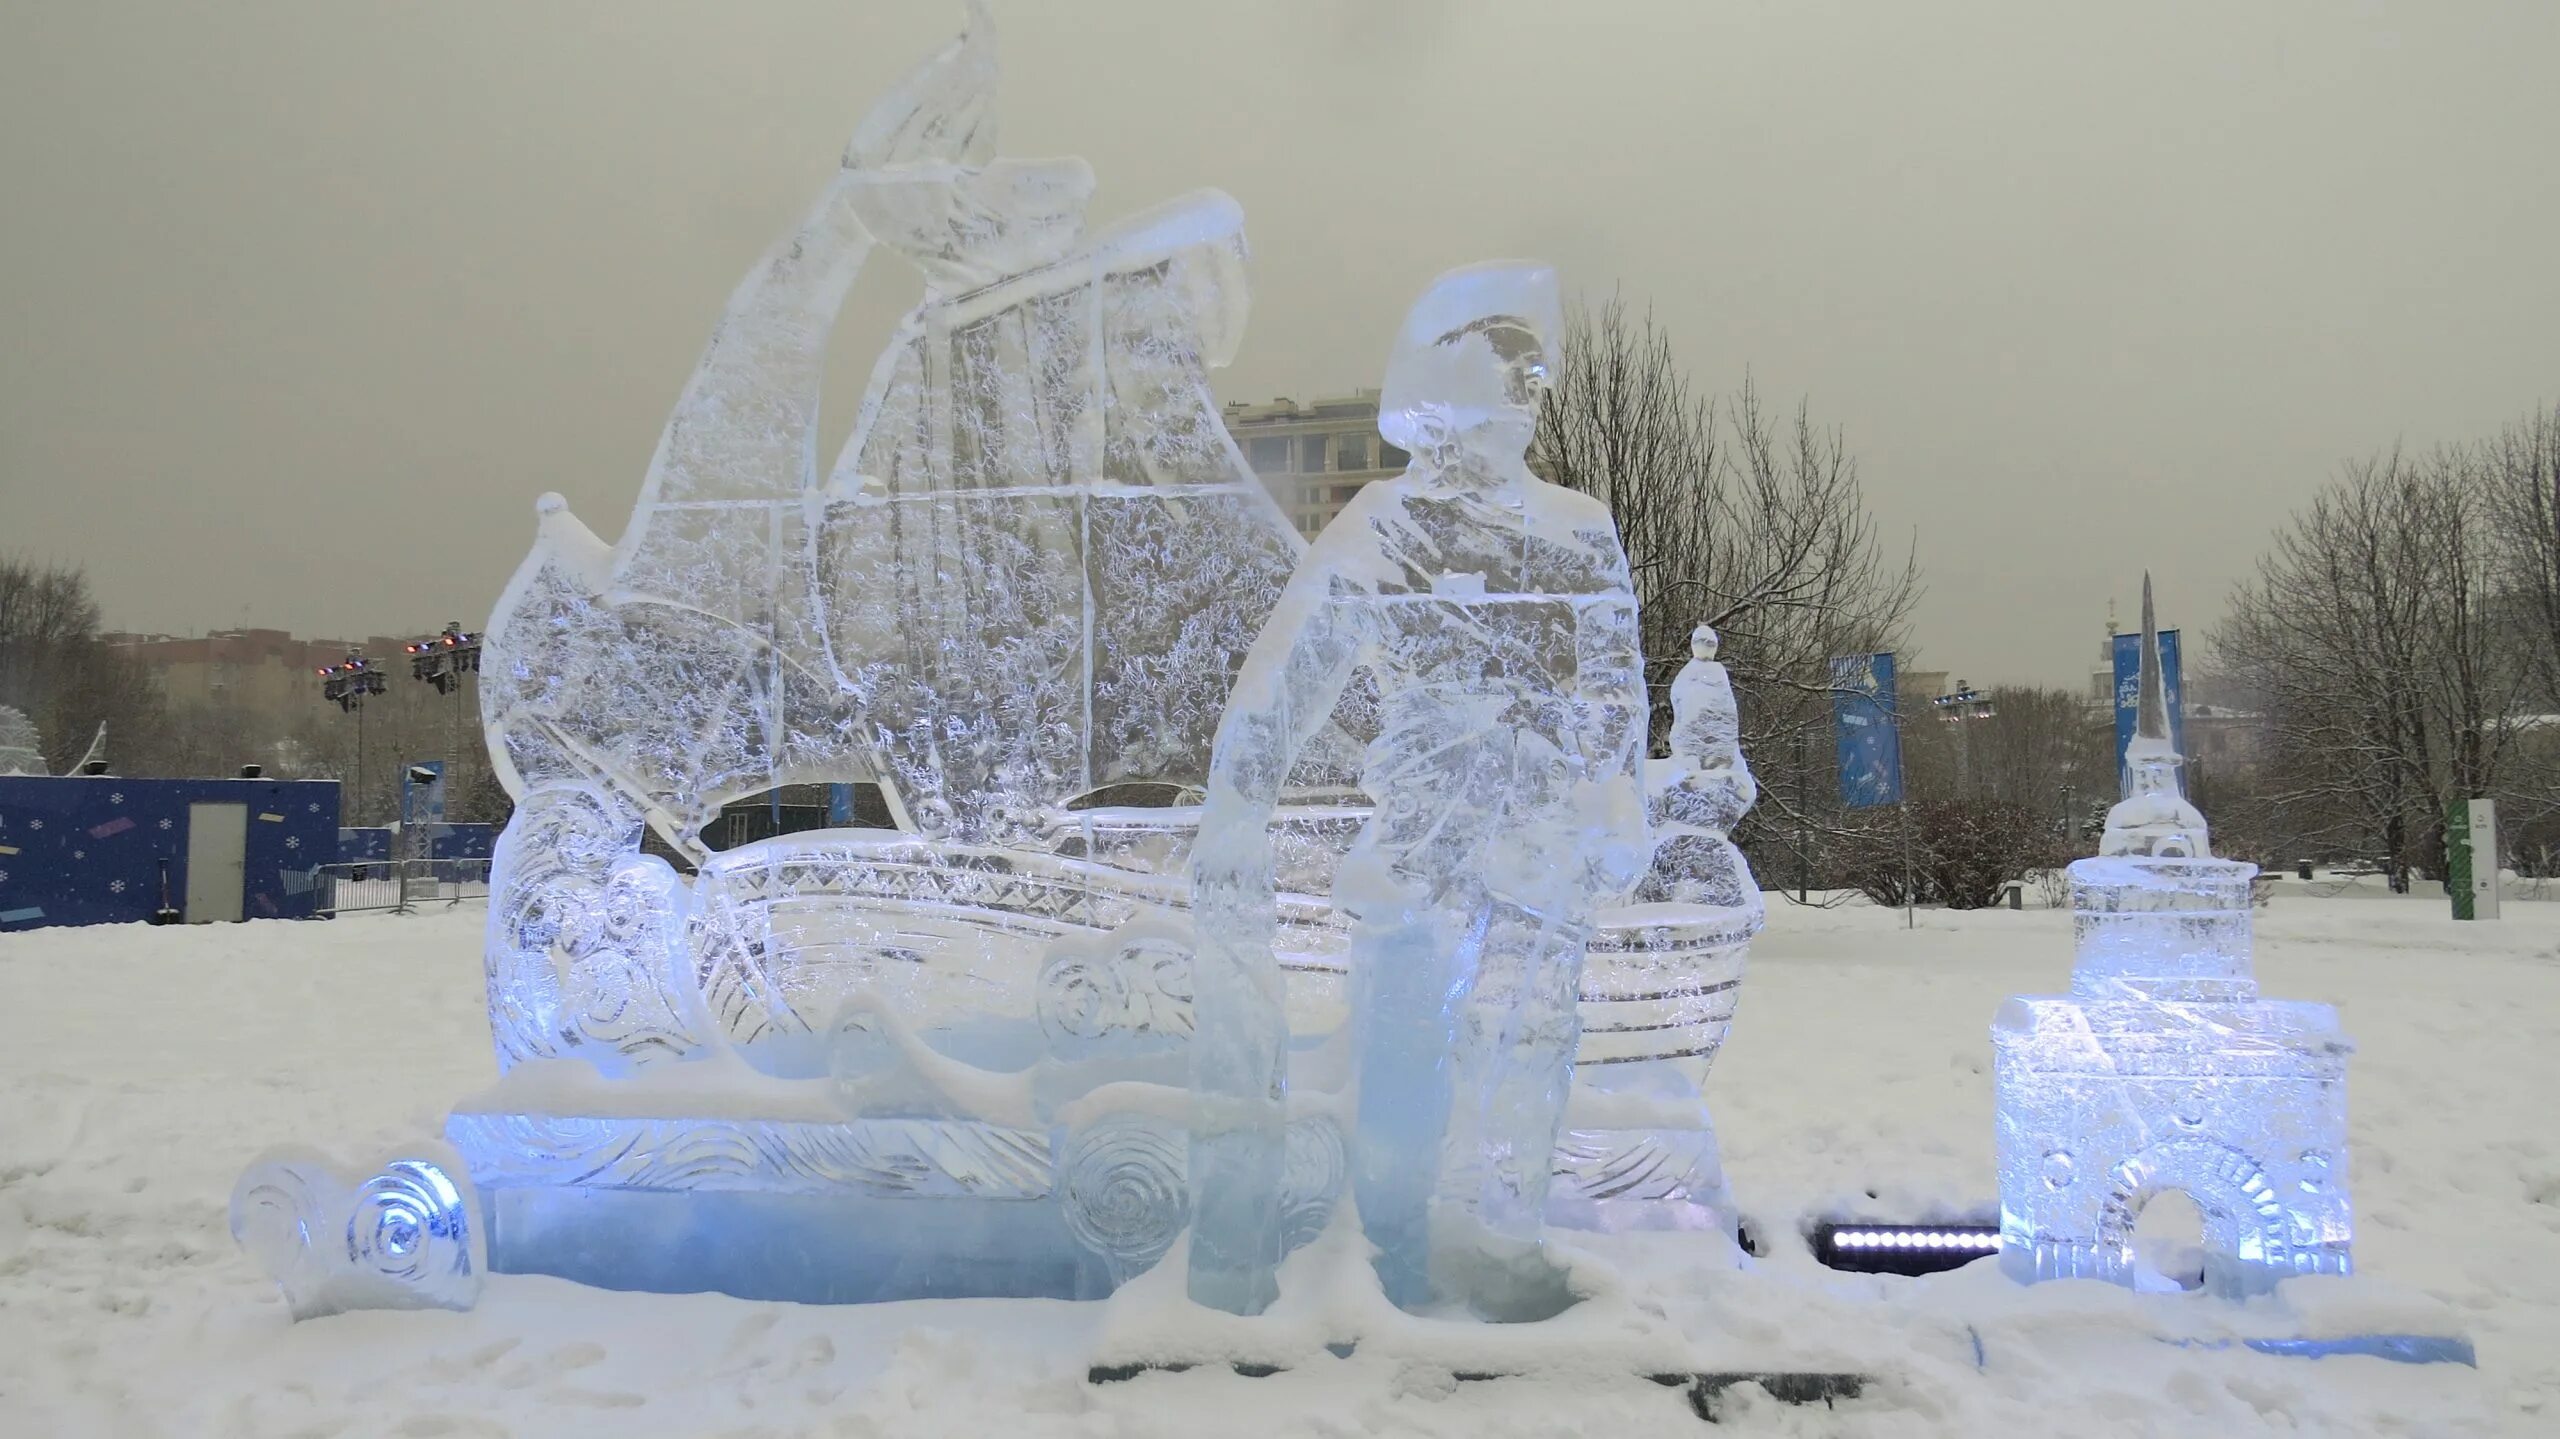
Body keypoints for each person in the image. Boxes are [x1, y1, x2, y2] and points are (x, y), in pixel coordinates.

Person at [1188, 262, 1648, 1319]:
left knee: (1531, 1042)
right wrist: (1235, 805)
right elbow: (1285, 680)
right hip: (1423, 833)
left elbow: (1616, 687)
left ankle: (1507, 1240)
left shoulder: (1579, 528)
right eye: (1508, 367)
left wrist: (1616, 797)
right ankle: (1392, 1241)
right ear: (1447, 386)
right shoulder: (1378, 528)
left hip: (1540, 834)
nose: (1528, 391)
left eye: (1535, 372)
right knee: (1406, 1047)